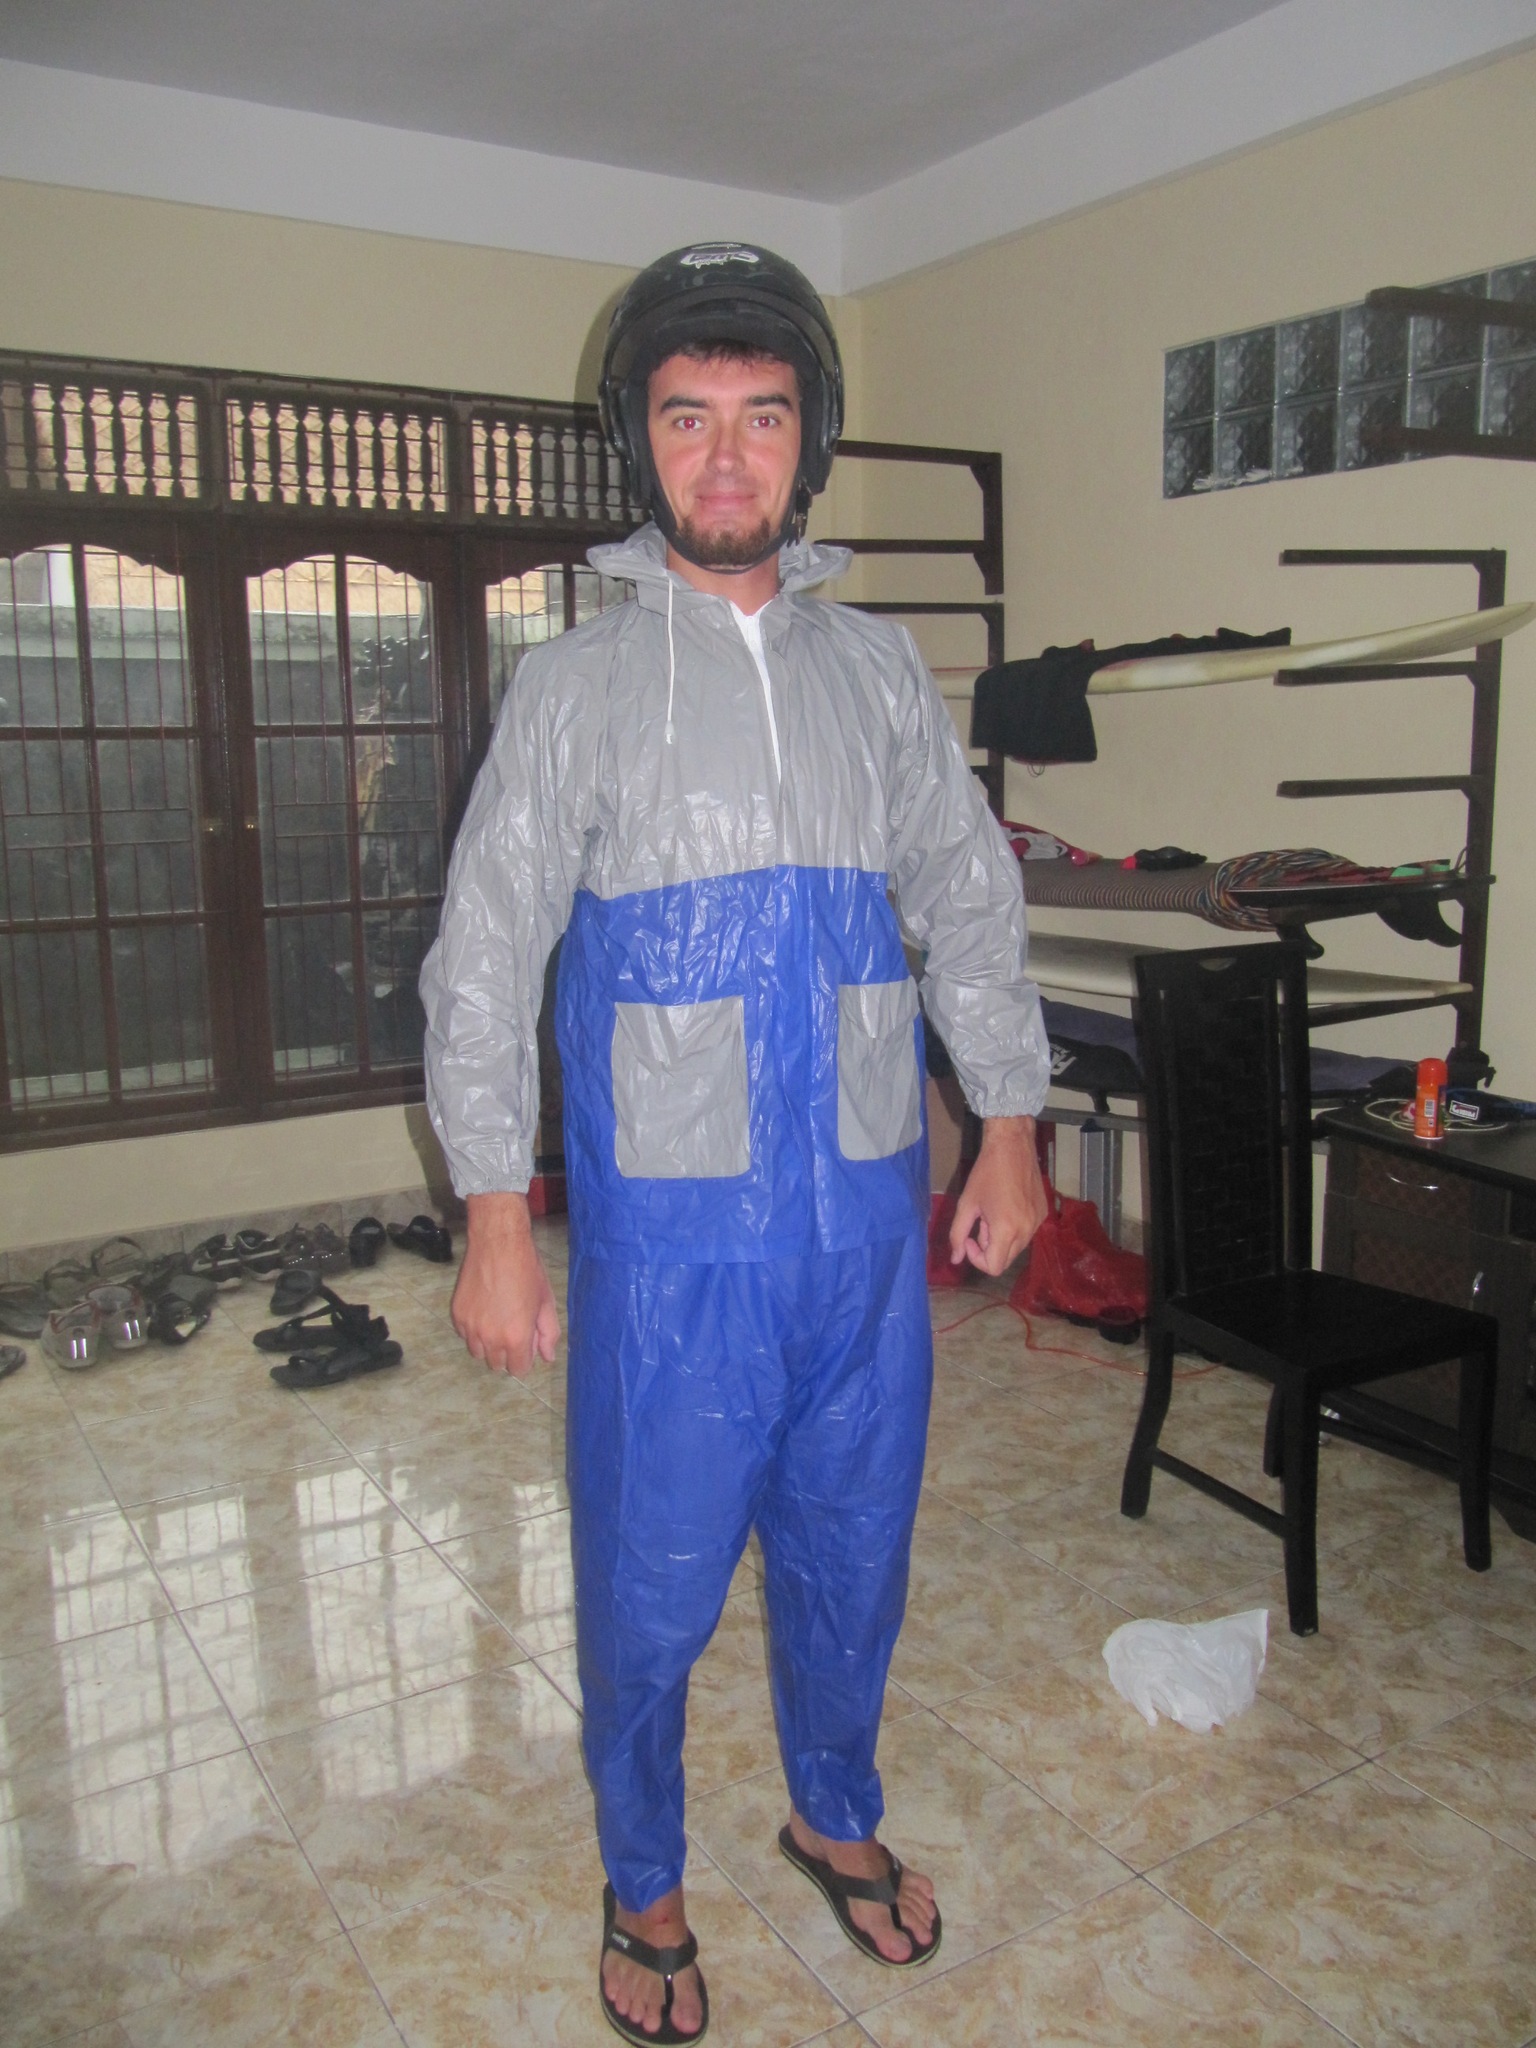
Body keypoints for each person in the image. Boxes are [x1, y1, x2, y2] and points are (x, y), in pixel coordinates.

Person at [421, 241, 1049, 2046]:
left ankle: (831, 1815)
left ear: (807, 442)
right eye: (687, 416)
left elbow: (968, 897)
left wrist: (1010, 1127)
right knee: (650, 1584)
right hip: (672, 1255)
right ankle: (645, 1877)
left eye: (760, 417)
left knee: (855, 1551)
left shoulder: (879, 674)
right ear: (641, 440)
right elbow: (487, 953)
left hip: (859, 1231)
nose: (723, 455)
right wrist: (494, 1213)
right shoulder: (577, 687)